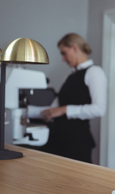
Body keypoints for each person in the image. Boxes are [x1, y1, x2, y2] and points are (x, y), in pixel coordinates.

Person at [28, 33, 107, 163]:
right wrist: (23, 111)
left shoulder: (95, 72)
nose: (63, 59)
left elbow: (99, 109)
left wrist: (65, 109)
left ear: (75, 48)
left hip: (77, 144)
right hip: (58, 140)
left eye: (64, 53)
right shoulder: (69, 77)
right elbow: (54, 109)